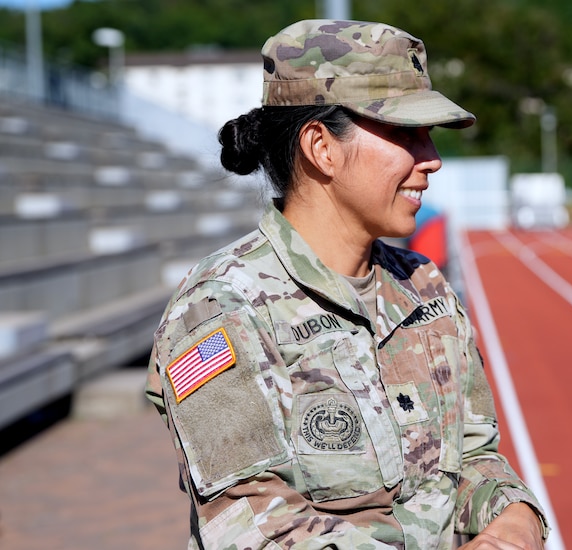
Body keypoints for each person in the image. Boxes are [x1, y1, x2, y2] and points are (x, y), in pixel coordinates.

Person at [146, 19, 548, 550]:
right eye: (406, 133)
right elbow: (258, 530)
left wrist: (514, 522)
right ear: (321, 147)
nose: (431, 159)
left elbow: (474, 456)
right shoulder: (222, 307)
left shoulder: (423, 288)